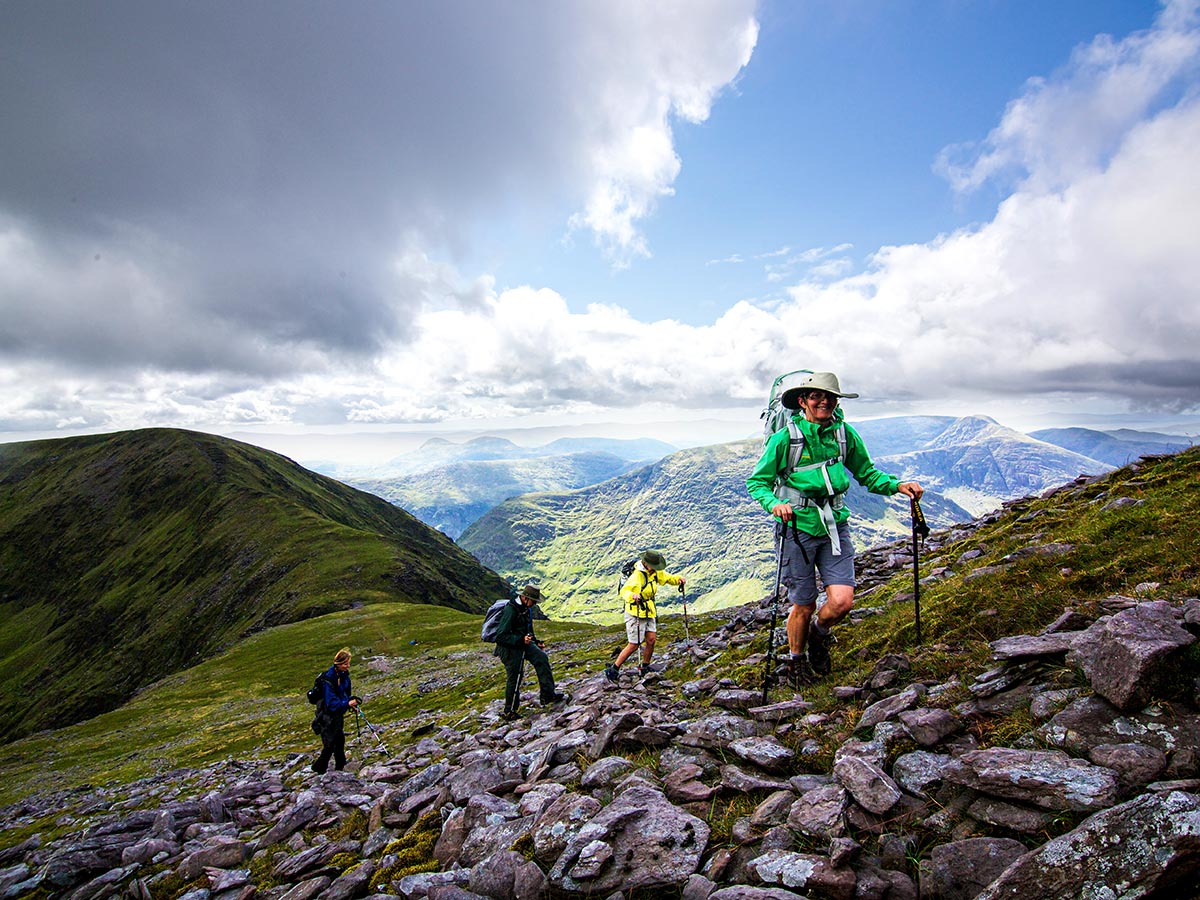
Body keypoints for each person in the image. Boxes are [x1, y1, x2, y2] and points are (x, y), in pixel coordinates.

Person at [746, 372, 923, 684]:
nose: (824, 401)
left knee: (841, 602)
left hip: (834, 526)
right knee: (803, 602)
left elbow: (866, 473)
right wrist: (773, 503)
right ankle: (796, 663)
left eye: (830, 397)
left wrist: (899, 486)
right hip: (796, 527)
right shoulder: (784, 439)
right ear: (802, 401)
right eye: (816, 396)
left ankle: (819, 633)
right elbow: (757, 482)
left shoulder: (844, 435)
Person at [604, 550, 686, 682]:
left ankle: (645, 666)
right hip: (635, 612)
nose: (656, 569)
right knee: (634, 644)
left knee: (651, 640)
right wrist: (632, 596)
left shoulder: (655, 573)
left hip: (649, 610)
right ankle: (613, 669)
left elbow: (667, 578)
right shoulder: (636, 576)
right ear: (647, 564)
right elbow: (625, 591)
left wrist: (678, 580)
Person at [493, 584, 568, 719]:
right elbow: (501, 636)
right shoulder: (511, 610)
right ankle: (509, 711)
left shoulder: (526, 609)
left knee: (541, 658)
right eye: (533, 601)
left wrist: (535, 641)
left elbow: (527, 629)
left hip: (523, 643)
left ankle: (548, 695)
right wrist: (521, 640)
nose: (534, 604)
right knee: (515, 676)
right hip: (509, 648)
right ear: (525, 598)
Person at [312, 647, 359, 774]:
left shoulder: (344, 676)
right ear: (337, 664)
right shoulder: (329, 679)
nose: (347, 666)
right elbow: (332, 704)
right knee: (330, 744)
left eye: (348, 663)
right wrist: (347, 703)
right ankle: (319, 769)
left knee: (339, 740)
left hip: (337, 714)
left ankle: (340, 767)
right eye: (345, 664)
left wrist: (350, 705)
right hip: (326, 716)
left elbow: (344, 694)